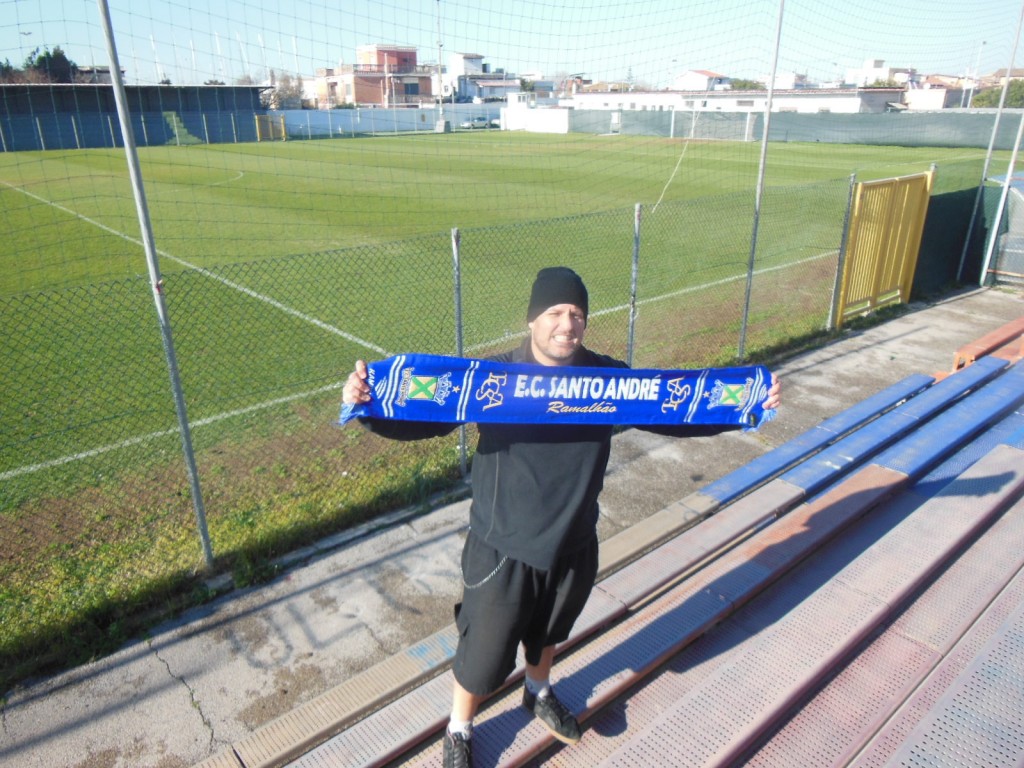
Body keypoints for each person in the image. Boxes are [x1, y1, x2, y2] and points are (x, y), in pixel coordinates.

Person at [342, 266, 780, 768]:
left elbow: (673, 410)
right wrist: (369, 406)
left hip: (573, 543)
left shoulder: (606, 381)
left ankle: (538, 690)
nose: (566, 324)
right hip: (502, 548)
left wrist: (746, 406)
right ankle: (459, 728)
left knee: (550, 632)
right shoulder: (496, 380)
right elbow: (429, 418)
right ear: (532, 320)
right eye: (554, 313)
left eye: (576, 314)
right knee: (482, 658)